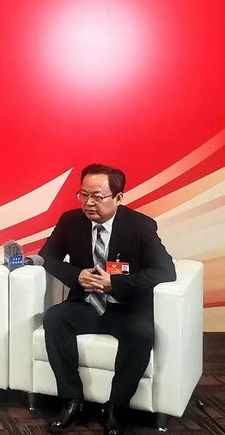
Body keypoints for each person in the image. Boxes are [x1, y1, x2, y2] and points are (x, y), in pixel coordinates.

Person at [40, 164, 176, 435]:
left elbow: (165, 271)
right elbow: (48, 257)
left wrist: (115, 283)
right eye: (83, 195)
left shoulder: (140, 226)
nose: (89, 203)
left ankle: (115, 407)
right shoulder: (70, 221)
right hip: (87, 304)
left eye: (97, 197)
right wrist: (76, 275)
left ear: (118, 197)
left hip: (125, 308)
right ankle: (72, 400)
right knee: (55, 318)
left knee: (141, 333)